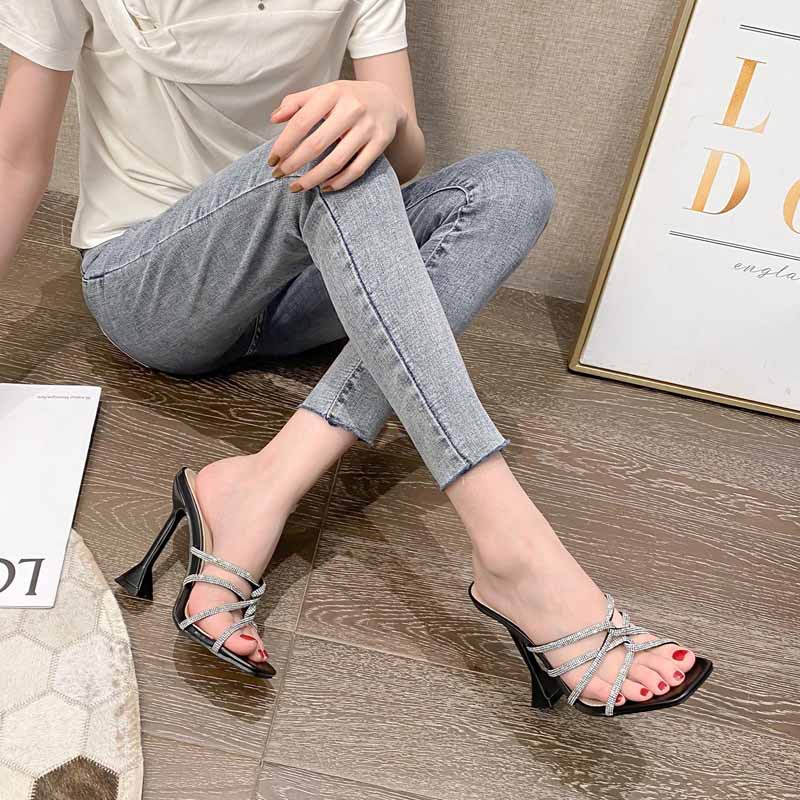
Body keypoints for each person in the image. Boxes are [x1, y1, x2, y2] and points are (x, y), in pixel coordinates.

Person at [0, 0, 710, 718]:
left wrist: (385, 111)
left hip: (308, 275)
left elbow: (404, 159)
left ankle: (261, 486)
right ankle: (514, 548)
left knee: (510, 186)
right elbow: (15, 159)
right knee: (322, 153)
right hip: (155, 288)